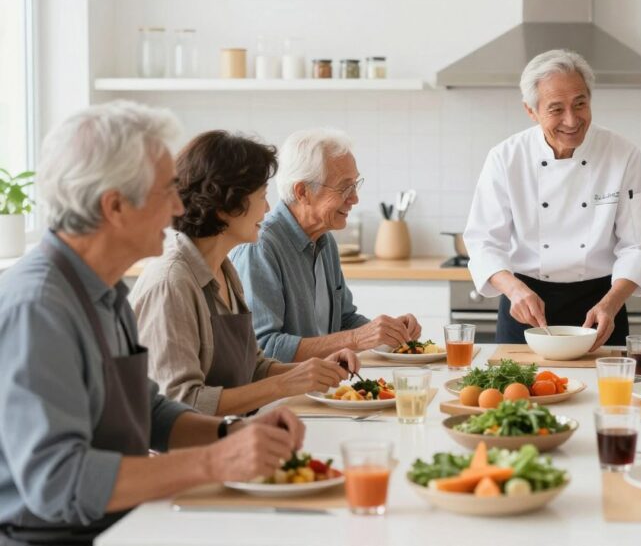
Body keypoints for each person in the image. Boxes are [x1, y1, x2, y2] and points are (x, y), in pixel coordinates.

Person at [0, 101, 306, 545]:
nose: (180, 205)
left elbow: (151, 413)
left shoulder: (104, 290)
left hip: (121, 524)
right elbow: (57, 483)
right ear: (116, 206)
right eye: (167, 191)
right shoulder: (39, 307)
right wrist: (214, 462)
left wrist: (232, 433)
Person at [131, 131, 360, 416]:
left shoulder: (225, 271)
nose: (267, 208)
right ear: (226, 205)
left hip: (231, 438)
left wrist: (312, 370)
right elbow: (182, 404)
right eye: (262, 196)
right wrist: (286, 384)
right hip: (188, 454)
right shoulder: (171, 283)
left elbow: (254, 367)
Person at [463, 49, 641, 349]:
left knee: (608, 395)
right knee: (519, 394)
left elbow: (639, 245)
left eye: (580, 104)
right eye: (556, 109)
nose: (572, 119)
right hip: (525, 307)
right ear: (531, 111)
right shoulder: (506, 157)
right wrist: (514, 289)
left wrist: (611, 302)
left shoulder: (622, 154)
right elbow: (483, 242)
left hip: (601, 306)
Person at [231, 128, 421, 363]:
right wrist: (358, 338)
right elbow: (264, 348)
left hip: (321, 387)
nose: (355, 198)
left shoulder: (324, 239)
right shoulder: (259, 248)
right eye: (344, 187)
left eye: (355, 185)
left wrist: (387, 332)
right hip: (281, 396)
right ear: (303, 192)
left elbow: (343, 321)